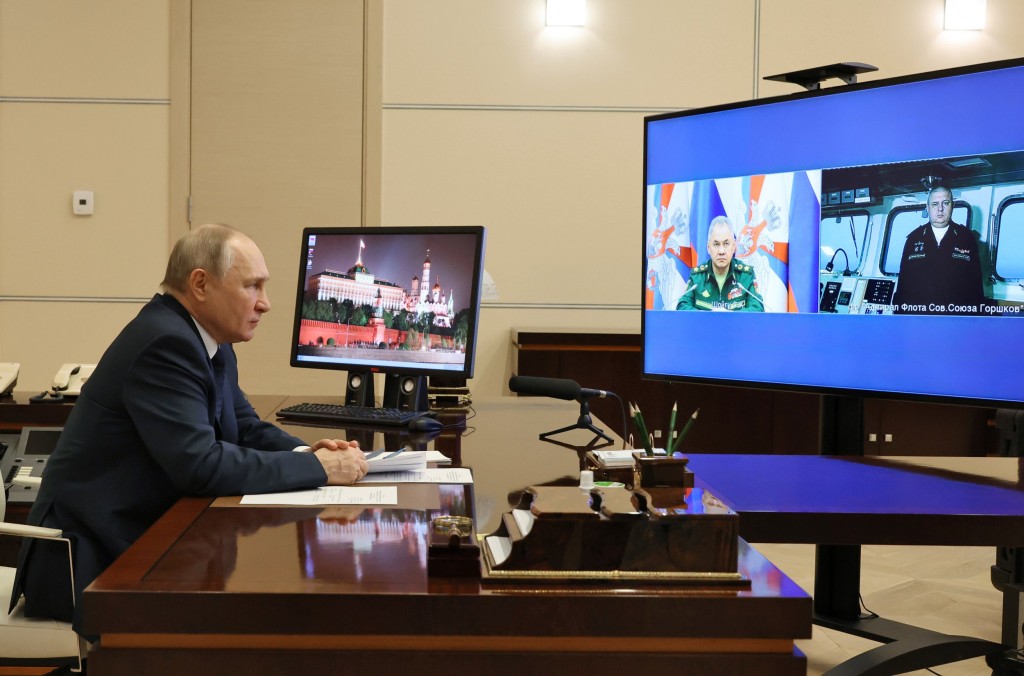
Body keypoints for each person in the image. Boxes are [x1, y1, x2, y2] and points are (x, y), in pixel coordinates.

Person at [11, 223, 369, 636]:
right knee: (242, 623)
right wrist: (320, 470)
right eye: (252, 286)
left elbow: (245, 428)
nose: (265, 304)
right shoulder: (165, 343)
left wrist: (312, 454)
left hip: (140, 540)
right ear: (200, 283)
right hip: (86, 562)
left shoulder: (208, 340)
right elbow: (200, 465)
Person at [892, 186, 985, 315]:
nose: (940, 208)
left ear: (952, 206)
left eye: (945, 203)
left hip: (954, 319)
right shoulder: (914, 238)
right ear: (928, 207)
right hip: (920, 318)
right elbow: (903, 285)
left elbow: (976, 287)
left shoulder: (967, 238)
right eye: (935, 204)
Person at [676, 216, 764, 312]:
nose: (721, 251)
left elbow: (757, 308)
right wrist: (706, 316)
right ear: (708, 247)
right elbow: (682, 306)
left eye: (726, 244)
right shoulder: (698, 277)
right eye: (716, 244)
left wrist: (730, 316)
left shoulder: (745, 275)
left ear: (734, 246)